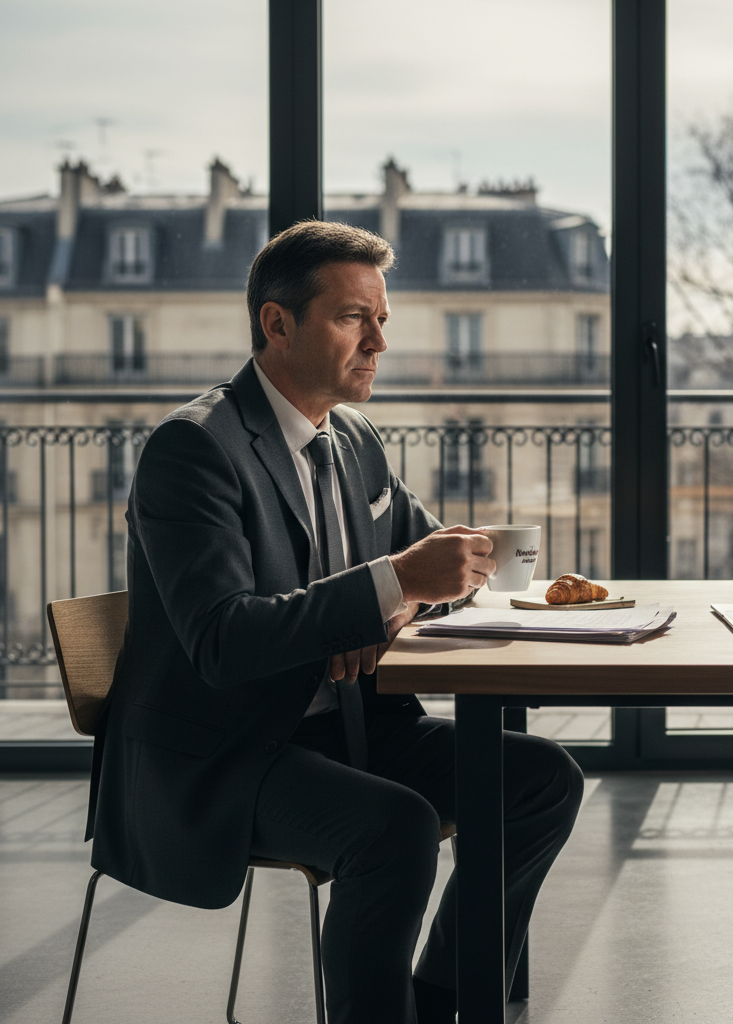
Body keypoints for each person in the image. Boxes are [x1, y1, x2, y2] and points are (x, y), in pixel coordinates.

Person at [86, 220, 584, 1023]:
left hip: (350, 725)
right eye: (356, 318)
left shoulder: (354, 437)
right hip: (226, 751)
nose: (379, 342)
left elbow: (428, 566)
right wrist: (387, 586)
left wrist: (407, 591)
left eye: (382, 319)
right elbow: (221, 639)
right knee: (395, 827)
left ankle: (446, 998)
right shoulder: (193, 450)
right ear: (277, 324)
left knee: (541, 780)